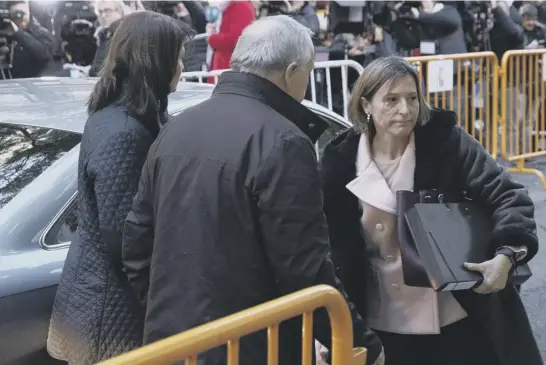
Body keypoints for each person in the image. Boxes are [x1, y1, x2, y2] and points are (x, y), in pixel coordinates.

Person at [122, 15, 384, 365]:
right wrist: (359, 344)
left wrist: (165, 312)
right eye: (307, 73)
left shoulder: (178, 127)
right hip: (253, 346)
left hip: (172, 344)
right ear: (292, 73)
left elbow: (137, 243)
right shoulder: (284, 140)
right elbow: (304, 267)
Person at [319, 56, 543, 365]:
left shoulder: (445, 141)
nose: (405, 110)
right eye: (392, 100)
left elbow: (507, 195)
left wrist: (505, 256)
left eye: (412, 98)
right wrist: (327, 327)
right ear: (366, 104)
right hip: (381, 324)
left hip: (456, 314)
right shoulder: (339, 160)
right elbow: (323, 243)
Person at [47, 11, 192, 365]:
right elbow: (124, 237)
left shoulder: (121, 114)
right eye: (178, 54)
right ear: (156, 59)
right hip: (108, 310)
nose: (183, 65)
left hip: (100, 299)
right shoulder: (125, 131)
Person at [1, 1, 55, 79]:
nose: (19, 17)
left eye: (21, 13)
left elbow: (45, 55)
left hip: (34, 81)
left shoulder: (40, 32)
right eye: (15, 15)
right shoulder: (6, 33)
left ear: (29, 12)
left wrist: (18, 33)